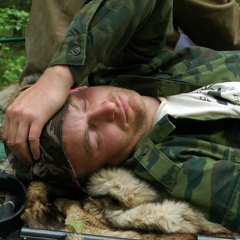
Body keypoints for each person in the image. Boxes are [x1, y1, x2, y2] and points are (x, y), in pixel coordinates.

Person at [3, 0, 240, 233]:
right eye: (94, 136)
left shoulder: (128, 70)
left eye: (84, 104)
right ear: (100, 172)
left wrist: (60, 73)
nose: (108, 109)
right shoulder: (180, 173)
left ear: (77, 88)